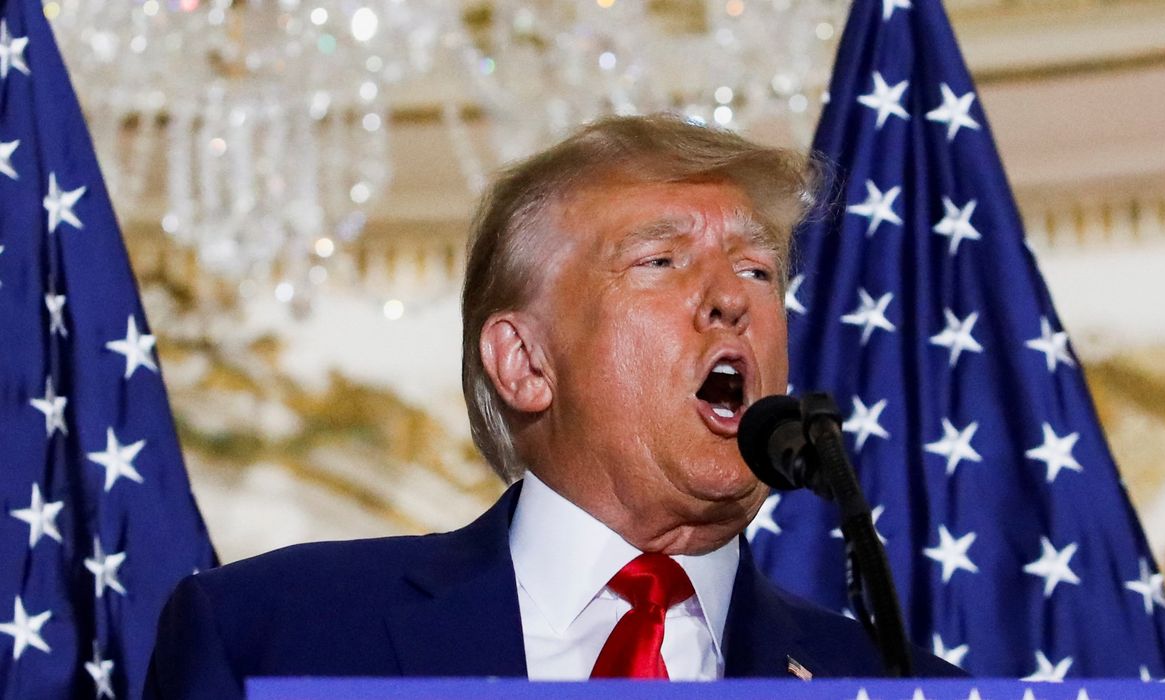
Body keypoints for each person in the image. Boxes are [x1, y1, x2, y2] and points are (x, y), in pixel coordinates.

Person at [144, 114, 962, 699]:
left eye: (756, 270)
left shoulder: (893, 685)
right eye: (660, 260)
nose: (730, 301)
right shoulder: (277, 636)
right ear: (525, 362)